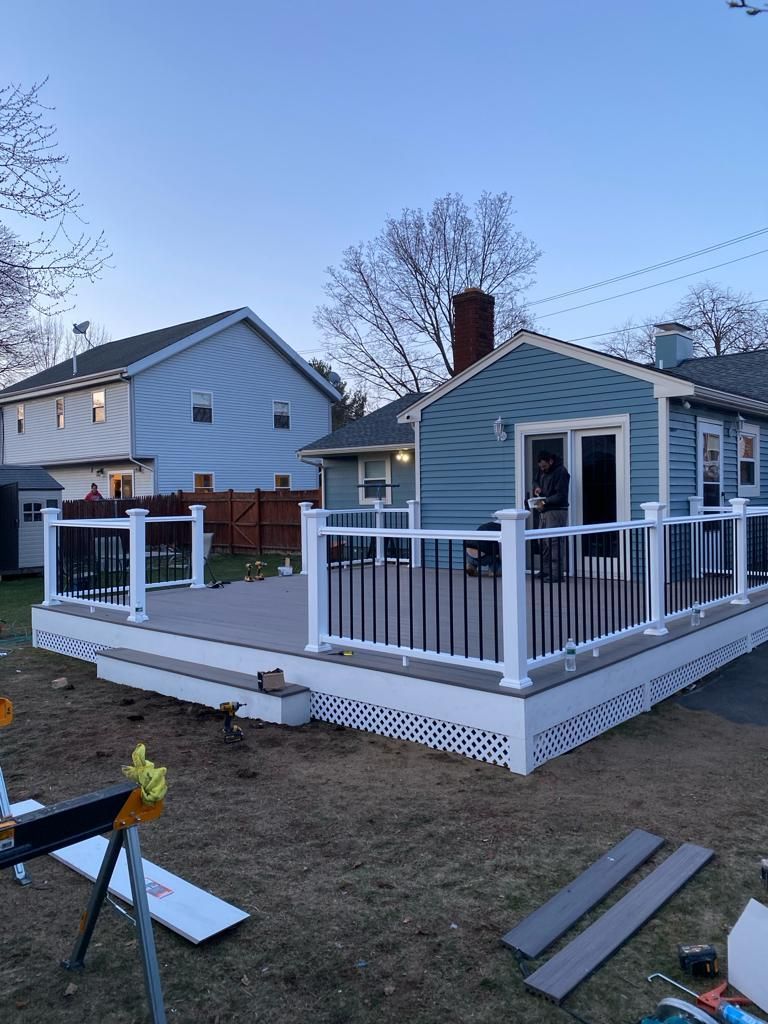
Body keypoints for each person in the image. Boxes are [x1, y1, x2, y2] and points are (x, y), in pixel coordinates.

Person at [532, 451, 570, 581]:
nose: (542, 469)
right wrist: (536, 488)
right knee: (542, 541)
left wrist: (544, 501)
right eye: (540, 467)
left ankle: (556, 574)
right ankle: (545, 570)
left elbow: (561, 495)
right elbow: (536, 480)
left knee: (554, 542)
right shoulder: (542, 472)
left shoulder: (561, 472)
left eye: (544, 466)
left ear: (551, 461)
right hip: (544, 511)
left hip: (557, 511)